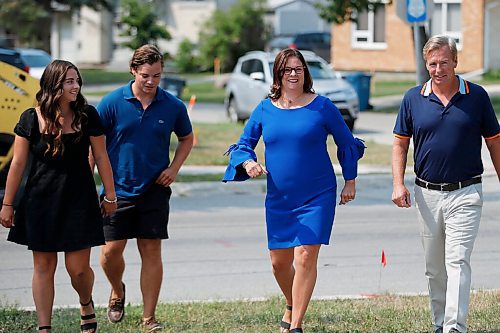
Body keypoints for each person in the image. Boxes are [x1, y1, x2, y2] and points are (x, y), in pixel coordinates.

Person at [222, 48, 365, 333]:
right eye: (287, 69)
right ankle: (292, 302)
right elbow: (242, 144)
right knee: (279, 263)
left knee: (305, 256)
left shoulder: (322, 106)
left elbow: (347, 143)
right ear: (278, 74)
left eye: (298, 69)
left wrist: (350, 180)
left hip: (317, 194)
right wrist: (248, 162)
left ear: (305, 73)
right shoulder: (265, 109)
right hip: (280, 197)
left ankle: (296, 325)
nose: (293, 74)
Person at [392, 35, 500, 333]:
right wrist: (398, 184)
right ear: (426, 64)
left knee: (457, 261)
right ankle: (440, 324)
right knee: (435, 269)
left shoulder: (476, 96)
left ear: (455, 62)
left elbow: (494, 143)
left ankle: (454, 327)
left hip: (466, 192)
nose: (438, 69)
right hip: (426, 194)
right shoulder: (413, 98)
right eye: (432, 64)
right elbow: (400, 144)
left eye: (443, 63)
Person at [0, 60, 117, 333]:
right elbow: (17, 164)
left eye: (77, 81)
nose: (76, 86)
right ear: (54, 85)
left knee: (78, 269)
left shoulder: (87, 115)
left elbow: (101, 156)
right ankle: (44, 328)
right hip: (40, 201)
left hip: (79, 200)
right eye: (69, 81)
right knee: (43, 266)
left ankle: (85, 301)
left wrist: (110, 195)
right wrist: (7, 204)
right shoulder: (30, 118)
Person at [96, 44, 193, 332]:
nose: (151, 82)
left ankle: (149, 318)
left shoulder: (172, 105)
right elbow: (95, 146)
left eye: (157, 76)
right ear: (133, 71)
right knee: (110, 252)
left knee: (151, 251)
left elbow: (187, 139)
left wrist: (174, 169)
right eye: (146, 76)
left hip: (154, 190)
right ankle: (117, 290)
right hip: (117, 190)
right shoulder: (112, 102)